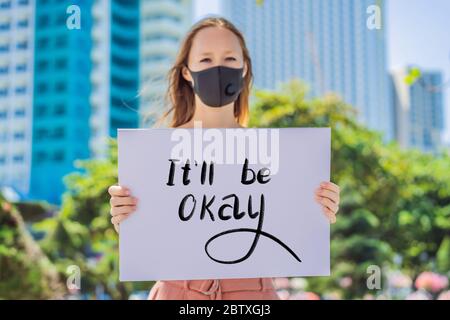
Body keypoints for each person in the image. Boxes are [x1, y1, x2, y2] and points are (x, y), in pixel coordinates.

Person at [107, 17, 340, 300]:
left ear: (244, 69)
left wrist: (320, 208)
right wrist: (125, 219)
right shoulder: (154, 154)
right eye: (205, 59)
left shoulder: (277, 156)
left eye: (230, 58)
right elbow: (150, 239)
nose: (218, 68)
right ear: (186, 72)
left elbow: (294, 232)